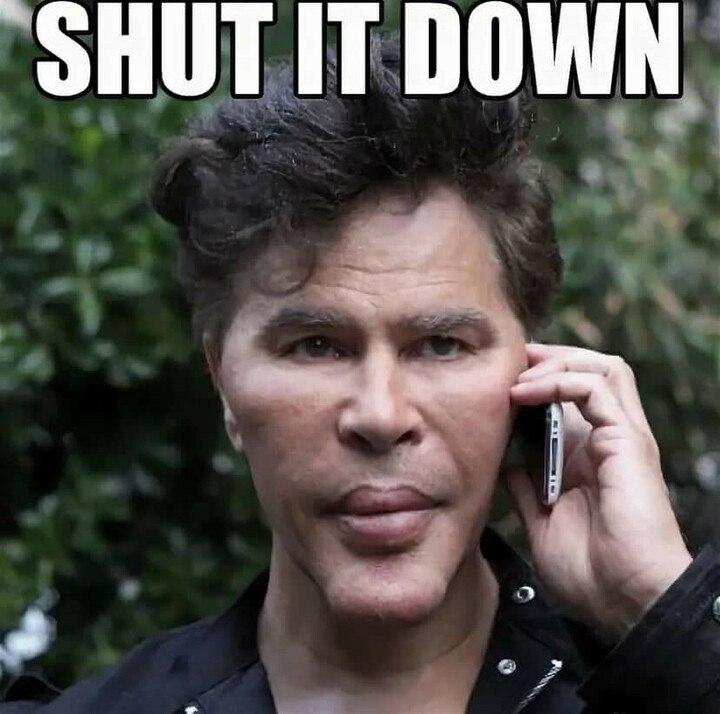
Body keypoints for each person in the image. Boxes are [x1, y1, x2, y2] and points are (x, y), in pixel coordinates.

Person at [3, 36, 719, 714]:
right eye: (315, 346)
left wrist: (663, 615)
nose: (381, 415)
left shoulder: (669, 685)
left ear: (535, 376)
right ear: (223, 382)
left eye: (441, 344)